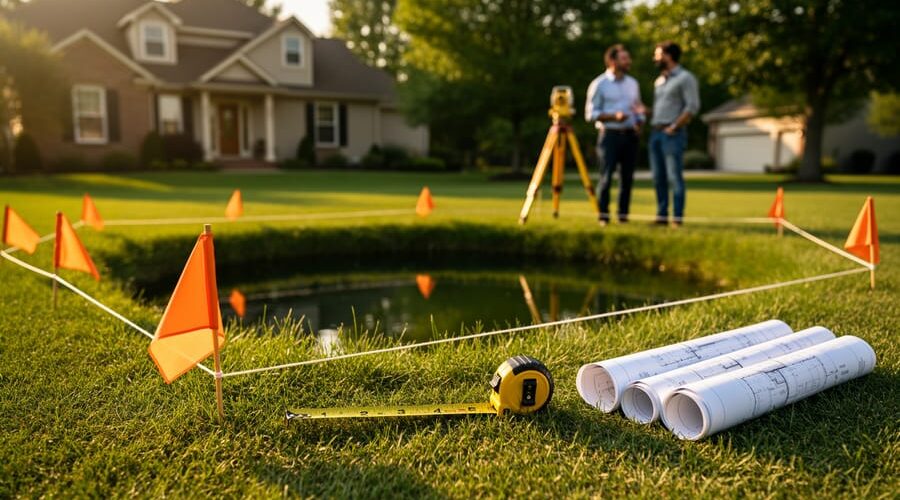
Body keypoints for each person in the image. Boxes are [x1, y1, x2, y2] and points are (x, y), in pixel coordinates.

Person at [585, 44, 645, 226]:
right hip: (609, 136)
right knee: (606, 177)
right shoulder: (599, 84)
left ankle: (623, 216)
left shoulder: (633, 83)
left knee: (627, 178)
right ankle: (603, 216)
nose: (629, 61)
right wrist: (614, 117)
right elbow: (590, 114)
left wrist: (639, 120)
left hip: (630, 135)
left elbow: (638, 107)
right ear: (612, 61)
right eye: (624, 58)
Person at [649, 41, 700, 227]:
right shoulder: (659, 81)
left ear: (668, 56)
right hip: (655, 133)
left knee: (674, 177)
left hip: (672, 134)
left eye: (657, 54)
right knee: (658, 178)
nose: (655, 58)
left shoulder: (686, 78)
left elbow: (692, 107)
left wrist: (674, 126)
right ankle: (661, 217)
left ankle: (677, 219)